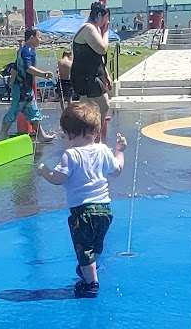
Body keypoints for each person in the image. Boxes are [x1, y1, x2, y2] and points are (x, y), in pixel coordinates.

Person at [37, 100, 126, 297]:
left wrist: (44, 171)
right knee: (96, 245)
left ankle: (91, 283)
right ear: (96, 130)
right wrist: (119, 151)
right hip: (105, 209)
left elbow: (58, 179)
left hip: (82, 211)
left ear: (69, 134)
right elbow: (117, 170)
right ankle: (89, 268)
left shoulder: (71, 155)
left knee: (83, 248)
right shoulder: (104, 150)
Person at [0, 27, 53, 145]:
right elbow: (28, 68)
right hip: (21, 89)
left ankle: (41, 135)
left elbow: (15, 67)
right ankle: (2, 135)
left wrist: (11, 82)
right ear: (32, 37)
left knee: (33, 112)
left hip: (25, 88)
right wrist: (43, 74)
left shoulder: (23, 50)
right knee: (14, 111)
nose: (40, 40)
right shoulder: (27, 51)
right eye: (39, 37)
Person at [70, 1, 113, 134]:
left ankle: (85, 135)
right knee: (103, 106)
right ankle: (92, 136)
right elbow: (102, 49)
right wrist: (106, 32)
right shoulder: (88, 28)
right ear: (99, 15)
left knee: (86, 110)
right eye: (106, 17)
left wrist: (106, 75)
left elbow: (98, 58)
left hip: (89, 75)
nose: (107, 21)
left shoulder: (94, 29)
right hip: (85, 76)